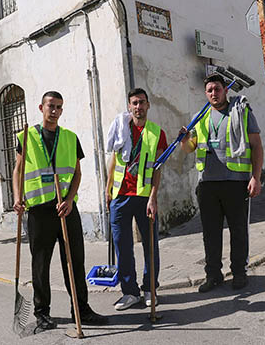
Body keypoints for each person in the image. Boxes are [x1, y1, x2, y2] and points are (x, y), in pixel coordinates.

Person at [12, 91, 107, 333]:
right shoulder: (27, 136)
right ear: (41, 107)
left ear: (62, 111)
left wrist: (70, 200)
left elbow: (77, 173)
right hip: (39, 212)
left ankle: (81, 309)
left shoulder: (70, 138)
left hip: (65, 208)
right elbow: (18, 170)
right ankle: (42, 313)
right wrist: (17, 198)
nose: (54, 111)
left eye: (58, 107)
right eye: (50, 106)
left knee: (75, 261)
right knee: (41, 265)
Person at [179, 74, 263, 293]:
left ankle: (239, 273)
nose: (213, 93)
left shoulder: (241, 112)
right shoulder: (200, 116)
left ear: (226, 90)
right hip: (207, 184)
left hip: (236, 183)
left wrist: (256, 177)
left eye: (217, 89)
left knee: (238, 231)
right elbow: (190, 148)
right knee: (210, 233)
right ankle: (213, 275)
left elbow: (256, 145)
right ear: (205, 93)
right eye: (209, 90)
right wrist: (184, 140)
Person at [105, 88, 167, 310]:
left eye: (142, 102)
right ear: (129, 106)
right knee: (123, 245)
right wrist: (108, 186)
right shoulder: (121, 128)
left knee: (150, 246)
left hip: (144, 198)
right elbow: (114, 160)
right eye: (134, 103)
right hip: (120, 196)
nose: (138, 107)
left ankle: (150, 289)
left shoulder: (156, 133)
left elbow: (157, 168)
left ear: (148, 105)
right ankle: (130, 293)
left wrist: (153, 197)